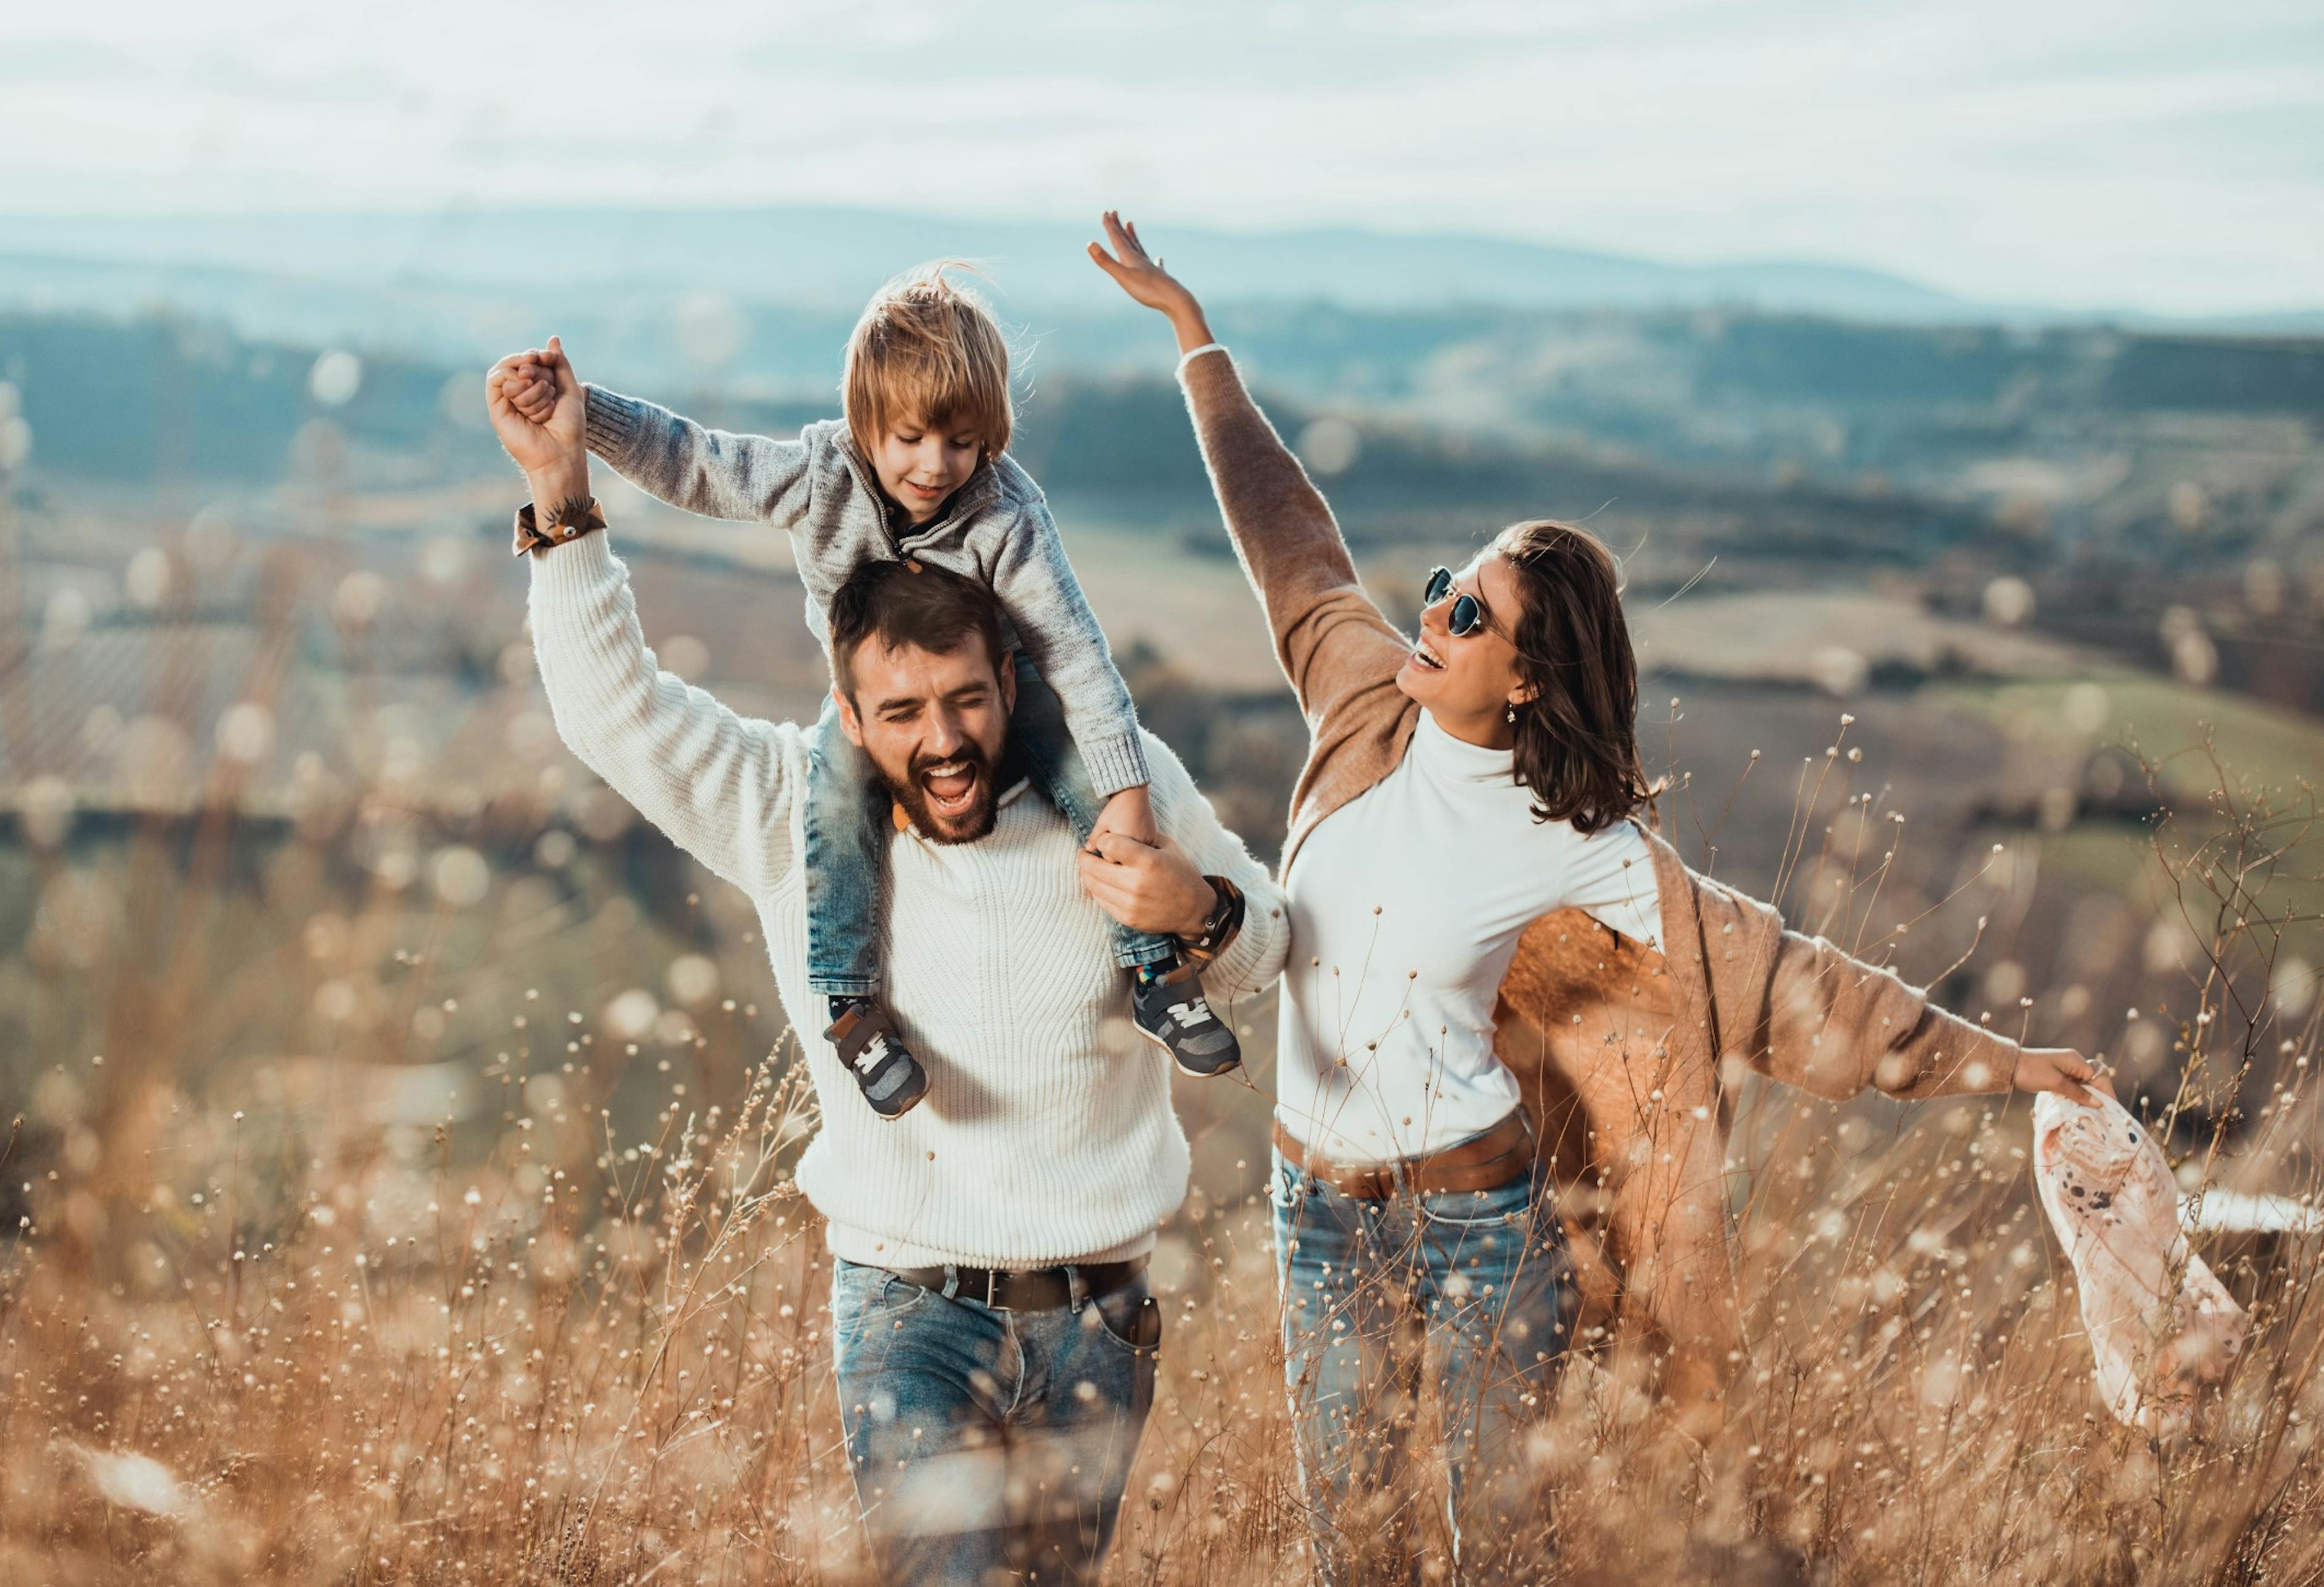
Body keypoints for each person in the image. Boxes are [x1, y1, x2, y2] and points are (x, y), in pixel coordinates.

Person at [1088, 211, 2109, 1584]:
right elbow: (1287, 529)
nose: (1432, 611)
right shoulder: (1356, 699)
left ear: (1523, 679)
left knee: (1502, 1550)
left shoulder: (1581, 843)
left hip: (1479, 1226)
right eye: (1446, 585)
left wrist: (2004, 1061)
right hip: (1316, 1207)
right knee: (1353, 1553)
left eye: (1468, 613)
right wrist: (1192, 338)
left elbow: (1788, 982)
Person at [484, 354, 1290, 1585]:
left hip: (1103, 1321)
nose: (946, 739)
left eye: (966, 700)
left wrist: (1206, 909)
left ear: (1011, 682)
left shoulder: (1129, 797)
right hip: (910, 1312)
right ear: (850, 720)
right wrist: (560, 498)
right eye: (903, 712)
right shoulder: (790, 811)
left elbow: (1272, 944)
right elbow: (616, 713)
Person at [493, 263, 1241, 1119]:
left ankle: (1154, 973)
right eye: (914, 438)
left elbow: (1076, 654)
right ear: (866, 421)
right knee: (837, 805)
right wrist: (586, 420)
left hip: (1008, 684)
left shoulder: (1008, 515)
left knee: (1090, 782)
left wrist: (1132, 800)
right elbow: (696, 462)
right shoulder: (819, 476)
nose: (938, 465)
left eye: (964, 443)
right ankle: (852, 1009)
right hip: (873, 701)